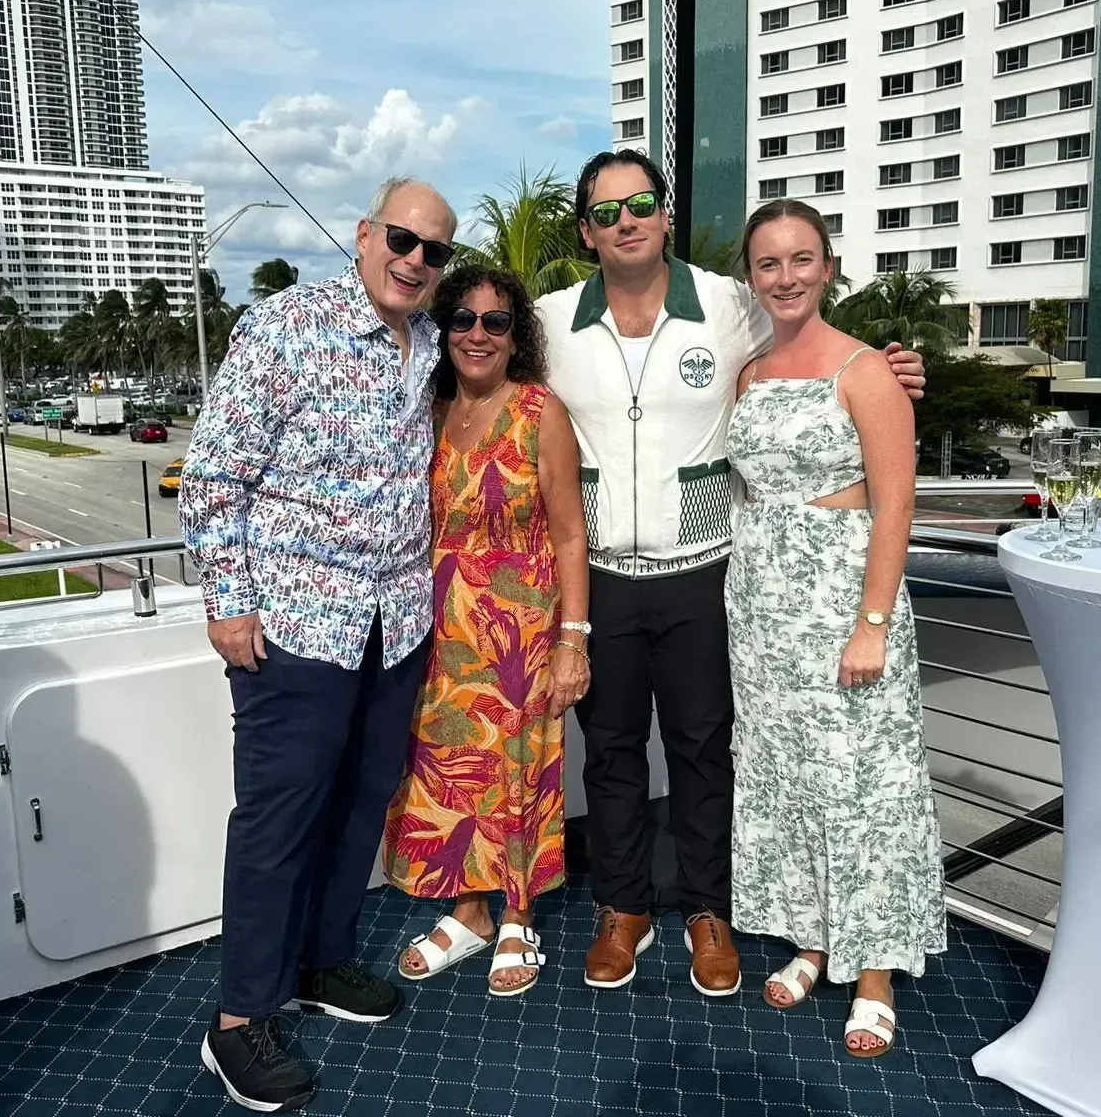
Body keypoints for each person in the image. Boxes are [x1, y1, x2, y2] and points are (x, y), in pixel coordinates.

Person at [533, 149, 927, 997]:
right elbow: (479, 373)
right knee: (608, 751)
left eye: (640, 204)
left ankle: (710, 909)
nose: (625, 221)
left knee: (706, 750)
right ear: (585, 232)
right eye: (606, 212)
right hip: (600, 573)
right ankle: (623, 908)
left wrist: (894, 373)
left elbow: (814, 346)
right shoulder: (548, 321)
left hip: (707, 573)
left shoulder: (729, 304)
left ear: (665, 215)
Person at [180, 177, 458, 1112]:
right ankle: (237, 1022)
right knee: (276, 820)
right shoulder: (283, 330)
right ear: (365, 234)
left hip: (394, 622)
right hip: (295, 621)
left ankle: (321, 961)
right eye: (404, 240)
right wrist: (229, 601)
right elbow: (214, 476)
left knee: (359, 804)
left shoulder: (426, 347)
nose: (416, 260)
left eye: (434, 251)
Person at [724, 199, 945, 1057]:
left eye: (801, 260)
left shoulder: (867, 371)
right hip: (763, 611)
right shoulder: (750, 373)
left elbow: (896, 507)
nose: (785, 277)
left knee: (867, 785)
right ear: (753, 275)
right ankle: (813, 937)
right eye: (769, 263)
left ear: (828, 266)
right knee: (787, 778)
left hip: (846, 607)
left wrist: (873, 625)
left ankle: (877, 968)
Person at [383, 264, 591, 997]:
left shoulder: (540, 411)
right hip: (438, 628)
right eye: (463, 320)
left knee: (516, 770)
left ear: (516, 336)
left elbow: (570, 534)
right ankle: (468, 910)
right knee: (446, 772)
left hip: (519, 629)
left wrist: (574, 640)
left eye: (495, 322)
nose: (477, 333)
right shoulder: (431, 409)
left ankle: (518, 913)